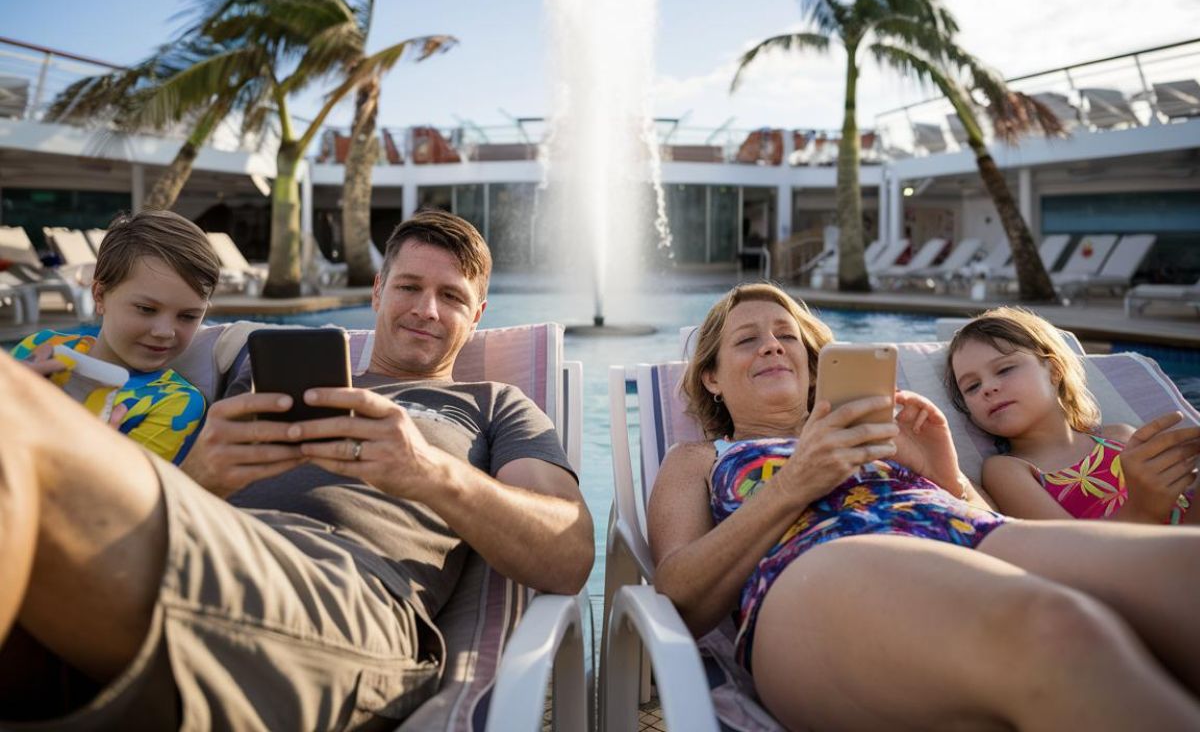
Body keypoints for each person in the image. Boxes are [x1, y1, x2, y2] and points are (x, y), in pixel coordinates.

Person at [0, 210, 593, 729]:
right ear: (378, 292)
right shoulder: (259, 367)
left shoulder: (495, 405)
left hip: (343, 600)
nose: (426, 310)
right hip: (201, 552)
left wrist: (426, 471)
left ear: (479, 313)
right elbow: (153, 319)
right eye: (409, 286)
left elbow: (567, 555)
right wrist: (201, 475)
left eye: (453, 297)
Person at [649, 282, 1200, 730]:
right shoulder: (697, 459)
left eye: (787, 337)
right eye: (748, 340)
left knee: (1185, 569)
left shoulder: (878, 434)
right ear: (712, 377)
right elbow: (679, 596)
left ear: (813, 364)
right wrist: (795, 483)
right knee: (1055, 630)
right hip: (818, 569)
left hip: (959, 535)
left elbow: (991, 524)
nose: (772, 346)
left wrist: (947, 474)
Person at [946, 306, 1198, 525]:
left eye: (1005, 369)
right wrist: (1143, 510)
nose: (988, 388)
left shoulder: (1121, 437)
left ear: (1054, 371)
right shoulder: (1007, 470)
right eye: (972, 387)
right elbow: (1073, 549)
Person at [11, 211, 219, 464]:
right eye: (146, 309)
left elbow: (123, 499)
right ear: (99, 295)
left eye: (188, 316)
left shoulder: (177, 404)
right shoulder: (40, 346)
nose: (165, 331)